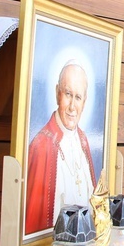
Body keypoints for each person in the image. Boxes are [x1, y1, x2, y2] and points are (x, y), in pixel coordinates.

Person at [25, 60, 96, 235]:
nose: (72, 106)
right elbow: (35, 217)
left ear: (84, 102)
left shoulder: (83, 140)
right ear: (58, 93)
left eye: (78, 97)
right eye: (68, 94)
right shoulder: (41, 144)